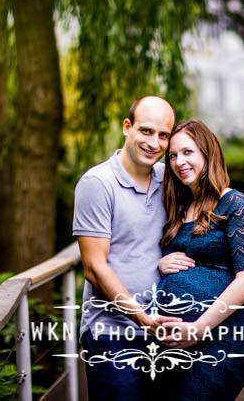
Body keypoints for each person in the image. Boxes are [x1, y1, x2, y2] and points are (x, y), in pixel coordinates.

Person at [72, 95, 181, 401]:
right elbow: (94, 268)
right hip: (112, 336)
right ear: (127, 127)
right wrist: (144, 319)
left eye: (163, 135)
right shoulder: (98, 183)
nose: (154, 143)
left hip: (164, 332)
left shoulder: (169, 179)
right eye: (146, 131)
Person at [157, 119, 244, 400]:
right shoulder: (179, 208)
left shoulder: (235, 203)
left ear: (207, 153)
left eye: (188, 152)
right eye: (173, 156)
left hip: (223, 334)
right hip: (175, 340)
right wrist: (162, 263)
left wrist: (198, 328)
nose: (179, 162)